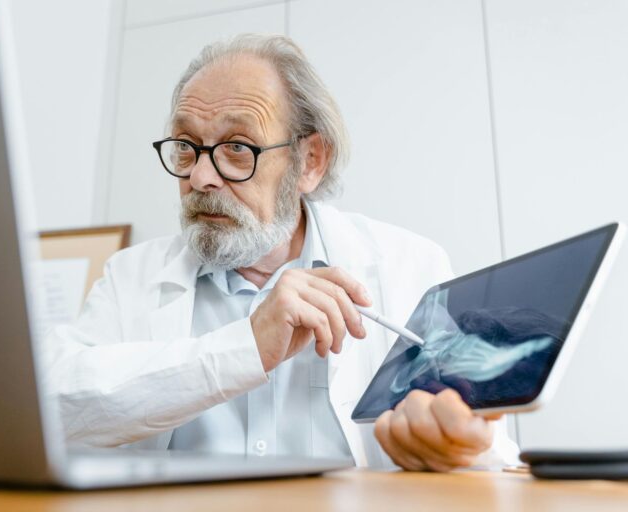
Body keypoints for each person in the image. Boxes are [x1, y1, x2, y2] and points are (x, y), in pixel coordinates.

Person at [43, 34, 518, 471]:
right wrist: (246, 347)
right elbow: (50, 406)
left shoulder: (412, 266)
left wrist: (459, 451)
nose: (200, 178)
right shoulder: (131, 276)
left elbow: (495, 457)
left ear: (310, 161)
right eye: (186, 146)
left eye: (236, 147)